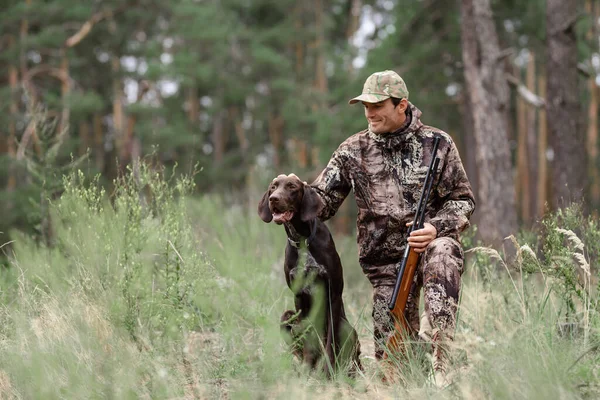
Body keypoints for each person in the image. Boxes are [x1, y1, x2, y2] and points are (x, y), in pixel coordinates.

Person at [309, 70, 475, 386]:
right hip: (386, 271)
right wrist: (292, 192)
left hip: (427, 253)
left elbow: (462, 200)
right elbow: (322, 201)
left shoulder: (438, 144)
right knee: (394, 370)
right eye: (365, 105)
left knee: (443, 249)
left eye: (378, 105)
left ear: (402, 105)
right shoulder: (352, 149)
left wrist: (435, 228)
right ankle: (417, 358)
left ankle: (442, 361)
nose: (369, 112)